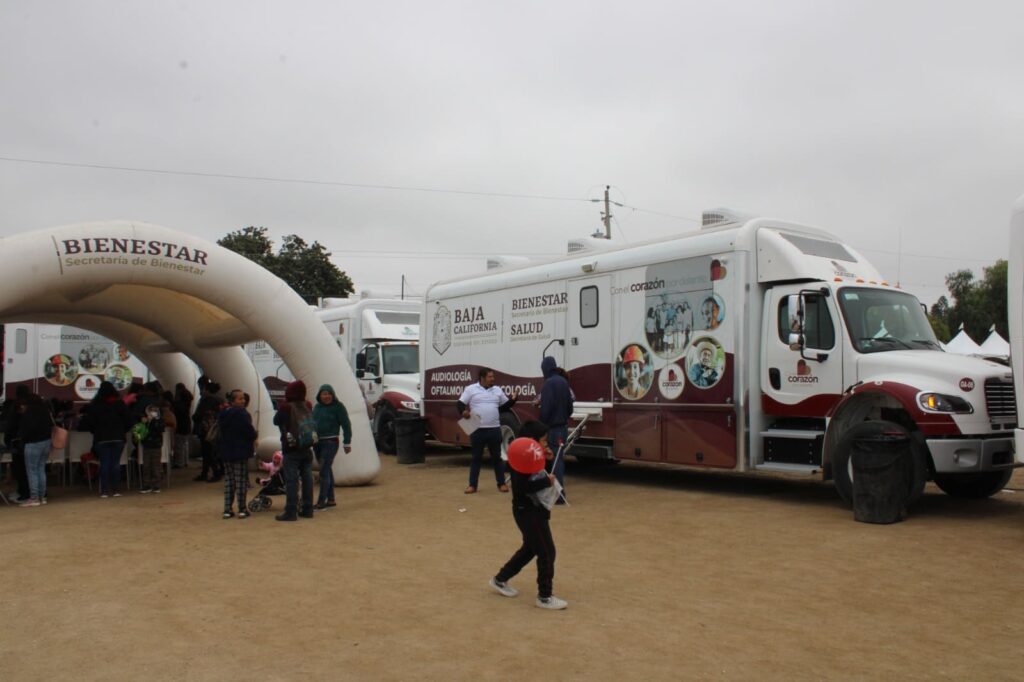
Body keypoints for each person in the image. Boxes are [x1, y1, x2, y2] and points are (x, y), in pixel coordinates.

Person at [489, 421, 567, 610]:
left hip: (534, 510)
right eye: (542, 440)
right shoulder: (520, 459)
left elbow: (538, 472)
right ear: (532, 441)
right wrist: (547, 482)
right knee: (547, 552)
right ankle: (545, 596)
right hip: (528, 512)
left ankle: (500, 579)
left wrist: (547, 459)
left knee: (531, 548)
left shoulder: (532, 456)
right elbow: (523, 487)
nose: (545, 444)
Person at [456, 367, 516, 494]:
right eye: (490, 377)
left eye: (493, 377)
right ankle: (472, 485)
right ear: (482, 378)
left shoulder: (497, 390)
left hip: (494, 429)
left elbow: (504, 407)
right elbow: (460, 404)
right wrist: (463, 412)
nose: (493, 379)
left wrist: (513, 400)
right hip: (477, 430)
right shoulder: (471, 389)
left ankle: (501, 483)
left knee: (497, 458)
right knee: (476, 458)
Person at [77, 381, 133, 498]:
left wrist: (95, 431)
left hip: (101, 438)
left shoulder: (95, 406)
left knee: (105, 463)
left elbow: (88, 423)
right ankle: (116, 489)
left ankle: (104, 490)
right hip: (118, 438)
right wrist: (122, 431)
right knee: (115, 464)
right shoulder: (120, 404)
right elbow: (129, 421)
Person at [273, 380, 316, 521]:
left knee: (292, 480)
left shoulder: (286, 407)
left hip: (291, 448)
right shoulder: (308, 405)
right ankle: (308, 508)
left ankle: (291, 510)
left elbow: (276, 420)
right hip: (306, 445)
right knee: (307, 478)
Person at [217, 389, 257, 519]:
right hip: (240, 450)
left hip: (226, 450)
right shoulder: (242, 414)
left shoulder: (224, 413)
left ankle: (227, 509)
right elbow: (249, 431)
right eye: (240, 399)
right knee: (240, 480)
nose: (243, 401)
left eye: (243, 398)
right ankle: (242, 508)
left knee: (229, 480)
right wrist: (254, 436)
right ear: (233, 401)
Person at [312, 384, 352, 510]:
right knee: (326, 469)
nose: (327, 396)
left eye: (329, 394)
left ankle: (321, 502)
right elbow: (312, 423)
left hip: (331, 442)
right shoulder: (317, 408)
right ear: (320, 395)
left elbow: (346, 425)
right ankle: (331, 499)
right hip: (317, 442)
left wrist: (347, 442)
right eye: (324, 394)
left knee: (324, 471)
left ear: (333, 395)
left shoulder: (338, 407)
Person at [539, 357, 573, 500]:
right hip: (563, 427)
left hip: (552, 428)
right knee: (559, 459)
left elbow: (546, 408)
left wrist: (542, 424)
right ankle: (556, 492)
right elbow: (570, 406)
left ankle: (558, 494)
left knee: (555, 460)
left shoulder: (548, 384)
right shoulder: (563, 382)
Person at [16, 388, 53, 507]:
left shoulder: (28, 413)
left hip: (32, 444)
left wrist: (21, 438)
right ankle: (43, 496)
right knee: (41, 469)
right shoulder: (45, 411)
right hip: (46, 442)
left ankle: (34, 497)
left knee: (32, 471)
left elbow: (25, 430)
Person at [133, 381, 166, 494]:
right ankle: (156, 485)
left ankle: (146, 484)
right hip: (157, 438)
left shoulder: (142, 402)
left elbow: (135, 415)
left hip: (145, 436)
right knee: (156, 463)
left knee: (146, 462)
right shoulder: (158, 402)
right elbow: (160, 422)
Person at [3, 386, 32, 502]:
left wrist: (7, 440)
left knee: (20, 470)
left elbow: (11, 425)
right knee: (31, 469)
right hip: (31, 441)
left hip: (17, 443)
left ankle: (24, 493)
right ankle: (33, 493)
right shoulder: (33, 406)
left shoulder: (15, 406)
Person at [192, 378, 224, 482]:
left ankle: (214, 472)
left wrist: (195, 417)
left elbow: (198, 415)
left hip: (206, 430)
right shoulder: (220, 400)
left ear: (206, 390)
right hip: (215, 429)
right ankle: (213, 472)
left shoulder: (206, 400)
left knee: (207, 453)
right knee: (213, 452)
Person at [172, 383, 193, 468]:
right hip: (187, 423)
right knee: (185, 444)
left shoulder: (178, 403)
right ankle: (185, 461)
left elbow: (178, 412)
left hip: (180, 424)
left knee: (179, 445)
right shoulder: (188, 400)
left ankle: (179, 463)